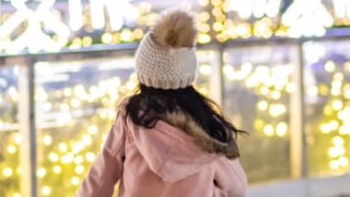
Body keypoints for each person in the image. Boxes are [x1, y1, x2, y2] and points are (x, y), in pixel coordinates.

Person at [77, 11, 248, 197]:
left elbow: (103, 174)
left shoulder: (132, 117)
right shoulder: (207, 126)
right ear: (188, 72)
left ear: (143, 72)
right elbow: (236, 187)